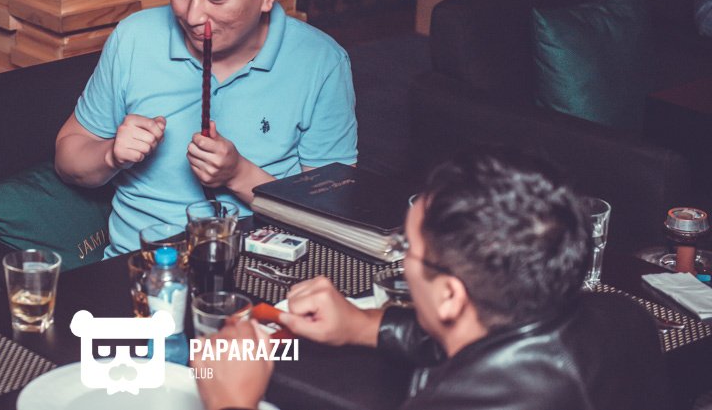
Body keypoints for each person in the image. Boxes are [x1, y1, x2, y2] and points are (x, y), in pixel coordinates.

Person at [195, 149, 667, 410]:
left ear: (449, 294)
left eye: (408, 249)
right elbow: (499, 343)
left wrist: (232, 401)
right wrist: (362, 324)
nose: (402, 263)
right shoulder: (625, 318)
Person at [55, 0, 358, 255]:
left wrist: (239, 174)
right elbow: (67, 158)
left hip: (264, 266)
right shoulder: (134, 38)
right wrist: (109, 156)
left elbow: (333, 213)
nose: (193, 15)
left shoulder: (321, 62)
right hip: (143, 266)